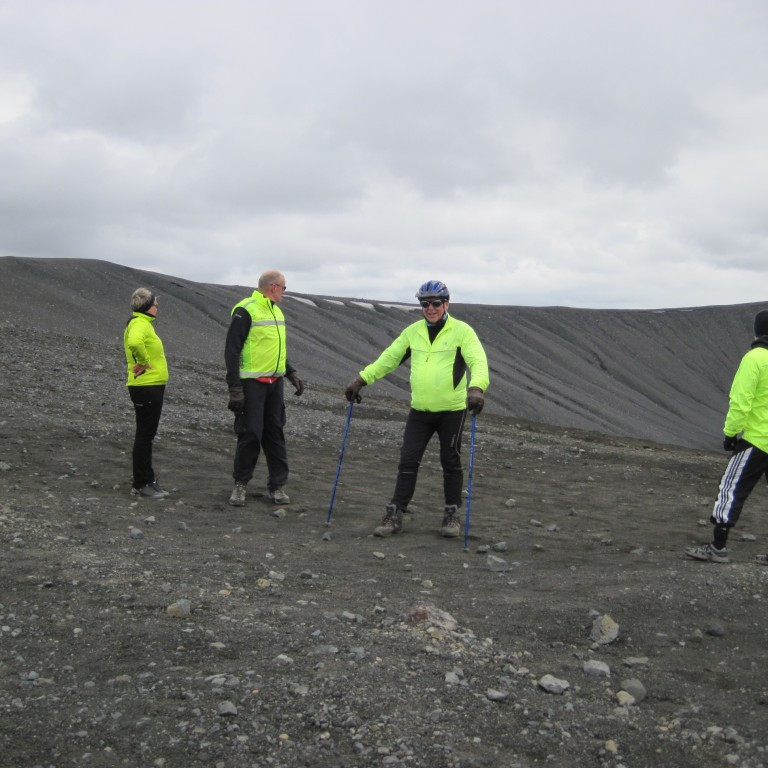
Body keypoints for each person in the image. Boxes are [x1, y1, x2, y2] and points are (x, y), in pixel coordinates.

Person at [345, 280, 489, 538]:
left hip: (452, 411)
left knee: (451, 461)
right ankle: (395, 513)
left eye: (435, 303)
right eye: (425, 303)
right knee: (408, 461)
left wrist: (476, 388)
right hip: (420, 411)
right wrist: (361, 380)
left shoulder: (462, 332)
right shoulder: (413, 332)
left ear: (446, 303)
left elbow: (477, 360)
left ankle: (451, 515)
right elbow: (389, 359)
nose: (430, 308)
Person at [686, 309, 768, 564]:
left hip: (756, 440)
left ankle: (718, 546)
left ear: (757, 331)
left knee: (731, 489)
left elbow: (741, 401)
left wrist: (731, 434)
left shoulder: (755, 359)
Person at [225, 270, 304, 507]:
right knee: (250, 434)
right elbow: (232, 350)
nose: (284, 292)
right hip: (252, 384)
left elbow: (276, 349)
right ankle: (240, 485)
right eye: (283, 288)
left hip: (274, 384)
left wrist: (290, 373)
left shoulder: (276, 311)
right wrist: (235, 387)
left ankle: (277, 486)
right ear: (272, 287)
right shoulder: (245, 310)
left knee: (275, 434)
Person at [124, 287, 169, 499]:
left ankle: (148, 480)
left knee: (147, 435)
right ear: (147, 306)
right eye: (155, 303)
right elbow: (134, 342)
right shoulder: (139, 324)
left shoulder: (143, 324)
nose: (157, 307)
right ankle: (141, 483)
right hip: (146, 385)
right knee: (144, 436)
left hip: (151, 385)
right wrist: (143, 362)